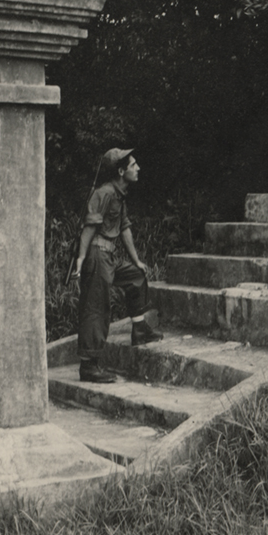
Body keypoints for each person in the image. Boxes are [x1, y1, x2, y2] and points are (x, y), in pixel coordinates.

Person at [76, 148, 162, 383]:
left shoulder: (120, 195)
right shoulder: (103, 193)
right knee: (96, 307)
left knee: (136, 275)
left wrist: (136, 260)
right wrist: (81, 259)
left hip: (110, 257)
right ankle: (89, 366)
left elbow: (124, 229)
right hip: (97, 255)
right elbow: (89, 228)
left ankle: (140, 330)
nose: (138, 168)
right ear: (121, 171)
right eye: (134, 165)